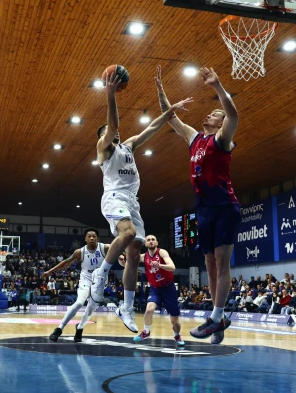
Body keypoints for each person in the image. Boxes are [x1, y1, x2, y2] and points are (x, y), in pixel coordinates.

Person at [90, 70, 193, 333]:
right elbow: (112, 126)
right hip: (114, 197)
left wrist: (171, 109)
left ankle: (125, 308)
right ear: (102, 137)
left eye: (114, 132)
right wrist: (110, 95)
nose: (114, 133)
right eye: (108, 132)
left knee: (134, 256)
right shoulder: (104, 149)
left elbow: (153, 127)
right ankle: (101, 273)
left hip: (132, 202)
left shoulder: (128, 145)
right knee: (128, 233)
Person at [155, 65, 240, 344]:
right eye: (210, 113)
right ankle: (219, 319)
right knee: (209, 264)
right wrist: (161, 90)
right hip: (203, 209)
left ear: (221, 123)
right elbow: (171, 118)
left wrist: (217, 86)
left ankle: (216, 318)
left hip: (224, 206)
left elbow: (233, 114)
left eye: (214, 114)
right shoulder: (194, 138)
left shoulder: (222, 139)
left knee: (221, 262)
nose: (208, 115)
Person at [42, 228, 110, 342]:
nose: (92, 238)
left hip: (100, 281)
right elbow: (66, 262)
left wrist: (127, 263)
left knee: (91, 308)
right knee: (79, 303)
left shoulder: (105, 248)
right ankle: (59, 328)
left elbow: (122, 254)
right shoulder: (80, 252)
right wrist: (50, 271)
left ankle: (80, 327)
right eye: (89, 236)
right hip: (86, 280)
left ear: (97, 238)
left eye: (94, 236)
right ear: (85, 238)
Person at [123, 235, 185, 348]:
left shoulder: (162, 252)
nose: (151, 241)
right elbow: (128, 264)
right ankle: (146, 332)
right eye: (148, 240)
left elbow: (172, 267)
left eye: (153, 240)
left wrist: (160, 265)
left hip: (169, 289)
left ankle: (177, 335)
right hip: (155, 289)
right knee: (149, 310)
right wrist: (122, 261)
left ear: (156, 242)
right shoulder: (143, 257)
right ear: (145, 244)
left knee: (175, 322)